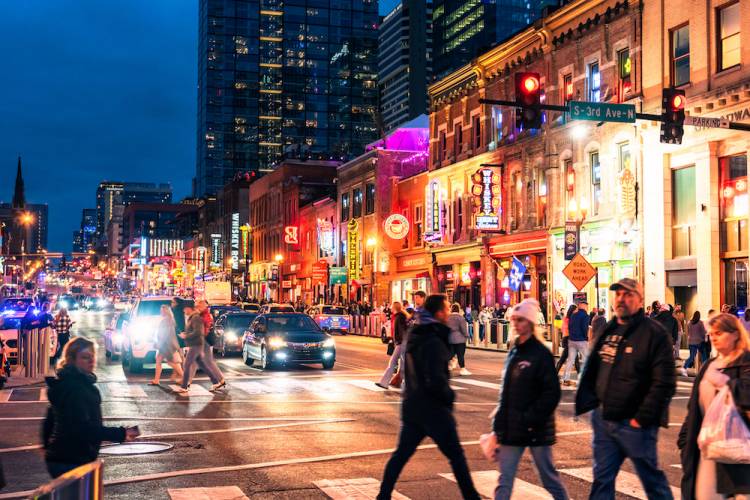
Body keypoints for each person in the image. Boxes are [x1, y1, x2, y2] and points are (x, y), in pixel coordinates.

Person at [576, 278, 676, 499]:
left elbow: (665, 383)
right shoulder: (609, 329)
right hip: (604, 420)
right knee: (602, 481)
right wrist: (592, 404)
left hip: (635, 424)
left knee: (652, 482)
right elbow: (595, 369)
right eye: (618, 294)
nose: (621, 299)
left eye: (628, 295)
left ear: (640, 301)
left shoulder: (654, 334)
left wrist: (641, 419)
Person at [377, 295, 480, 500]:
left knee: (400, 455)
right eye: (447, 308)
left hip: (413, 406)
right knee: (456, 456)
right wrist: (448, 396)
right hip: (433, 409)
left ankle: (383, 495)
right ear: (439, 313)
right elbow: (435, 379)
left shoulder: (417, 333)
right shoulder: (433, 340)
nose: (449, 312)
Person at [492, 299, 569, 500]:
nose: (516, 324)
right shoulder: (514, 350)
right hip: (512, 428)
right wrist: (498, 423)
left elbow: (551, 393)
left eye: (521, 320)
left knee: (548, 478)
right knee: (504, 480)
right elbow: (506, 392)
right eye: (514, 320)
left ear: (531, 323)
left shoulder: (541, 353)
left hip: (536, 429)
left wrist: (530, 418)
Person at [43, 337, 139, 478]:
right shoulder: (77, 388)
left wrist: (47, 445)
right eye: (85, 357)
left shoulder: (67, 383)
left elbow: (51, 416)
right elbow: (84, 428)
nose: (91, 361)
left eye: (92, 356)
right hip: (72, 459)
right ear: (72, 359)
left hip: (62, 456)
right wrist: (120, 433)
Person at [678, 313, 750, 499]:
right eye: (712, 334)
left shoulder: (746, 363)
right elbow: (694, 408)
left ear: (735, 334)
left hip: (739, 452)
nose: (714, 338)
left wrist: (726, 383)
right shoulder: (709, 365)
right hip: (707, 450)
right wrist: (685, 441)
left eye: (719, 333)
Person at [174, 303, 220, 395]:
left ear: (189, 308)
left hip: (196, 344)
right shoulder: (192, 317)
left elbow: (198, 332)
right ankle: (215, 381)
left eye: (185, 309)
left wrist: (186, 336)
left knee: (187, 365)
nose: (184, 311)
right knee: (202, 365)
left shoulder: (195, 318)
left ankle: (184, 387)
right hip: (195, 344)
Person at [376, 302, 408, 389]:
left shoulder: (400, 317)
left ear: (395, 307)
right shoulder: (397, 316)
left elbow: (402, 330)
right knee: (400, 364)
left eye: (392, 307)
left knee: (396, 363)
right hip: (400, 342)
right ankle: (385, 382)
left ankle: (385, 382)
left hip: (401, 343)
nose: (390, 308)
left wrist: (400, 341)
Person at [196, 299, 226, 392]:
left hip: (205, 341)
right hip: (204, 341)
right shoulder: (204, 314)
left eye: (201, 305)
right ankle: (219, 380)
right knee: (207, 361)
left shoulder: (206, 315)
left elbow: (206, 329)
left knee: (208, 361)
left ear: (205, 306)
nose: (199, 307)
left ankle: (219, 380)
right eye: (199, 305)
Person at [150, 305, 184, 385]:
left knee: (171, 362)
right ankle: (156, 380)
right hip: (167, 344)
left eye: (162, 311)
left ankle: (184, 377)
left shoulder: (166, 321)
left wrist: (159, 343)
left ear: (165, 312)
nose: (160, 312)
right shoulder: (169, 320)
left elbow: (164, 335)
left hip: (166, 345)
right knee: (159, 360)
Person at [562, 300, 590, 386]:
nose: (587, 307)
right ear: (583, 306)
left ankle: (566, 379)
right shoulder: (585, 315)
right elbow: (585, 328)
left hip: (572, 340)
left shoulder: (573, 315)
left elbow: (570, 327)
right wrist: (586, 338)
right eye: (586, 305)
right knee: (586, 360)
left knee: (570, 360)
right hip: (581, 340)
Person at [447, 303, 471, 376]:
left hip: (450, 339)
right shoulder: (461, 318)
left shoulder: (448, 317)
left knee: (451, 354)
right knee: (460, 355)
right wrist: (467, 336)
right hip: (460, 339)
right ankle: (462, 369)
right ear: (458, 309)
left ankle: (449, 365)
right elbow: (463, 329)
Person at [682, 311, 707, 377]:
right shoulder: (700, 323)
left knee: (692, 356)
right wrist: (704, 338)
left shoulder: (689, 323)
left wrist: (689, 339)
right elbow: (703, 332)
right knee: (704, 355)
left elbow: (687, 332)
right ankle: (705, 369)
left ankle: (684, 367)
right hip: (699, 342)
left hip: (691, 342)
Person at [555, 305, 577, 374]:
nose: (577, 311)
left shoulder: (566, 319)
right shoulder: (569, 320)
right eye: (576, 310)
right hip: (569, 339)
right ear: (572, 311)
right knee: (563, 358)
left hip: (568, 339)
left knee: (574, 359)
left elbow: (563, 329)